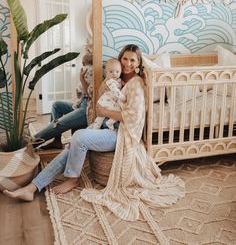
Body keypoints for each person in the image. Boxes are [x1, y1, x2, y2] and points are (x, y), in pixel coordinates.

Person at [3, 44, 185, 222]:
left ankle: (72, 179)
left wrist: (103, 112)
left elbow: (133, 118)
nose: (128, 63)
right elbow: (103, 98)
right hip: (106, 127)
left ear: (138, 63)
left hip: (121, 134)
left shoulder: (136, 84)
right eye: (125, 58)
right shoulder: (119, 79)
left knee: (79, 137)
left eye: (132, 60)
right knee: (70, 149)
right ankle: (33, 187)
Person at [34, 51, 93, 150]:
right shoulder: (87, 73)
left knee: (59, 123)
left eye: (83, 63)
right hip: (81, 103)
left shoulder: (94, 72)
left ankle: (32, 142)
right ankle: (57, 141)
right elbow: (80, 95)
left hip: (87, 109)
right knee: (57, 105)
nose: (83, 65)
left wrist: (82, 80)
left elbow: (91, 95)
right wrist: (80, 86)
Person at [87, 58, 125, 130]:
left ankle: (94, 129)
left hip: (105, 102)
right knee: (118, 111)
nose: (114, 74)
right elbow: (115, 90)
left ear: (121, 72)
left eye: (117, 71)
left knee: (100, 118)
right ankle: (109, 122)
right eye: (111, 72)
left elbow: (121, 83)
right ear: (106, 72)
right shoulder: (109, 81)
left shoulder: (118, 80)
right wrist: (122, 97)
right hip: (107, 101)